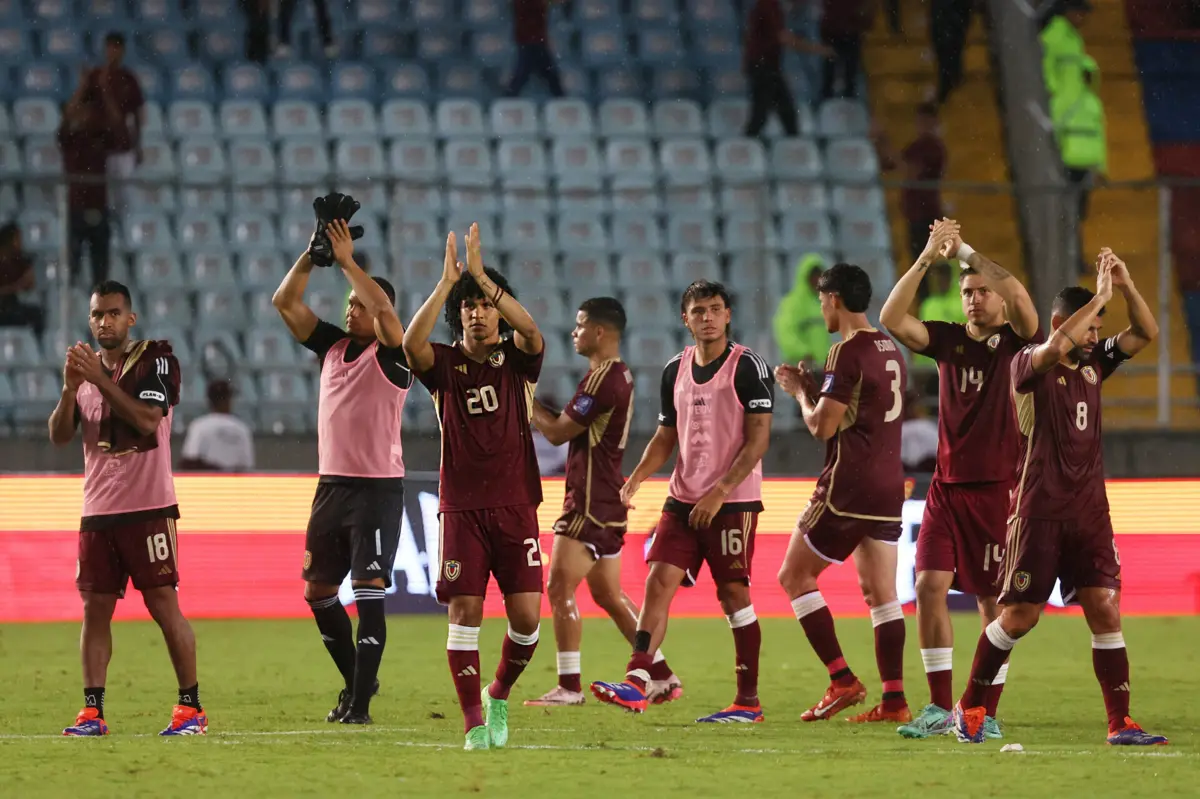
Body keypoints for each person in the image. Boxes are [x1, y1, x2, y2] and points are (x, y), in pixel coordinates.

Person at [954, 250, 1168, 746]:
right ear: (1061, 323)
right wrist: (1098, 298)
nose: (1096, 338)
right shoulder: (1026, 363)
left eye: (1097, 328)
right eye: (1091, 327)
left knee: (1104, 608)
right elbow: (1054, 348)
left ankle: (1121, 723)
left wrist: (1126, 286)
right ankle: (972, 707)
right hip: (1038, 512)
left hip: (1090, 512)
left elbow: (1145, 333)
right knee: (1019, 618)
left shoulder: (1093, 365)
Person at [880, 219, 1041, 739]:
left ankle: (983, 711)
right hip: (946, 490)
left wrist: (966, 251)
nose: (974, 300)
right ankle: (937, 708)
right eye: (968, 293)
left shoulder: (1019, 342)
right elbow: (890, 317)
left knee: (993, 603)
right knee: (928, 585)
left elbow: (1020, 295)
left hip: (999, 490)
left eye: (981, 292)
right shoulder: (947, 341)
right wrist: (929, 255)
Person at [590, 281, 774, 724]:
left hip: (733, 501)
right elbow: (665, 436)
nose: (707, 317)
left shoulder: (749, 367)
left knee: (733, 594)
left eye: (715, 309)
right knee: (658, 582)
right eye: (698, 310)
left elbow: (758, 441)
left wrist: (720, 491)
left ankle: (747, 702)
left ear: (728, 315)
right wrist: (634, 478)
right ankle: (637, 682)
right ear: (685, 319)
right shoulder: (675, 369)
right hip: (682, 498)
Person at [402, 223, 546, 751]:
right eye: (468, 306)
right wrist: (448, 284)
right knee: (465, 614)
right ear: (457, 315)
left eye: (485, 304)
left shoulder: (519, 362)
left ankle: (499, 692)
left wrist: (485, 278)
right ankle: (472, 722)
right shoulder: (444, 365)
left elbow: (532, 333)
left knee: (527, 619)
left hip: (515, 505)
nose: (477, 312)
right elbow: (408, 344)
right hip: (461, 508)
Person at [48, 280, 205, 736]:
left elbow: (147, 421)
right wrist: (67, 389)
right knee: (94, 609)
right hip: (98, 509)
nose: (105, 322)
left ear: (130, 318)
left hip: (149, 507)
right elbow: (59, 436)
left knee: (163, 605)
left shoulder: (155, 360)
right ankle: (93, 712)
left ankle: (190, 708)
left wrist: (96, 380)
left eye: (114, 313)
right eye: (97, 315)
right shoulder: (84, 371)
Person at [273, 218, 411, 724]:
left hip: (376, 490)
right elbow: (284, 303)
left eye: (361, 305)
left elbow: (386, 315)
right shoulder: (331, 346)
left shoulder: (395, 355)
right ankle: (359, 681)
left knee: (370, 591)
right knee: (318, 592)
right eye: (348, 303)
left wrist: (350, 261)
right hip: (331, 487)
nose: (351, 309)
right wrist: (313, 255)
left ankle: (359, 706)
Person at [524, 298, 682, 707]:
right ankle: (660, 674)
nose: (573, 333)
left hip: (589, 502)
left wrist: (525, 401)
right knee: (609, 595)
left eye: (579, 326)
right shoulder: (620, 375)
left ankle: (569, 686)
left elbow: (558, 433)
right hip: (607, 497)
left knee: (559, 587)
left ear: (598, 332)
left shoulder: (603, 379)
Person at [773, 262, 911, 724]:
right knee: (881, 594)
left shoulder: (845, 351)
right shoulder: (891, 348)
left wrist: (798, 393)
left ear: (833, 299)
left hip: (848, 485)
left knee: (794, 577)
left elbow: (822, 426)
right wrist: (820, 388)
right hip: (890, 485)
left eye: (820, 300)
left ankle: (841, 679)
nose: (820, 308)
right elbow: (863, 409)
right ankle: (894, 700)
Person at [58, 79, 121, 286]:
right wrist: (83, 86)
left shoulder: (102, 138)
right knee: (71, 269)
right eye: (84, 110)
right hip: (75, 209)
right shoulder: (70, 138)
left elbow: (118, 125)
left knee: (101, 274)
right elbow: (66, 117)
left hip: (99, 209)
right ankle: (69, 311)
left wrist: (104, 90)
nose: (88, 115)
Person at [743, 0, 831, 137]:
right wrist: (818, 49)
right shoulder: (768, 4)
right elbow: (783, 38)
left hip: (768, 65)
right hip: (761, 65)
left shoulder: (773, 5)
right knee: (762, 114)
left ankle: (793, 142)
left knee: (785, 113)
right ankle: (748, 142)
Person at [875, 104, 947, 265]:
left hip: (927, 214)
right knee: (918, 262)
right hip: (914, 213)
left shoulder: (934, 147)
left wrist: (885, 140)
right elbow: (889, 164)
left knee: (925, 263)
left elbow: (910, 171)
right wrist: (880, 141)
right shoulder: (916, 146)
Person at [86, 33, 143, 218]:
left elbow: (137, 115)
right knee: (103, 198)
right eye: (110, 47)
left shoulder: (129, 79)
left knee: (125, 198)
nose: (113, 51)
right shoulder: (95, 76)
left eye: (117, 47)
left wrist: (138, 146)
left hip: (123, 146)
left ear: (123, 51)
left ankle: (126, 234)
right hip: (100, 147)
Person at [179, 380, 255, 472]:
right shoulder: (241, 428)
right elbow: (247, 466)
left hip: (208, 483)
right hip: (234, 483)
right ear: (229, 399)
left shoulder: (200, 426)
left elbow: (189, 460)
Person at [773, 254, 830, 369]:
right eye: (814, 276)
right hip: (800, 367)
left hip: (821, 368)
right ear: (805, 277)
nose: (818, 280)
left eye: (820, 276)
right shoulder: (792, 303)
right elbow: (785, 333)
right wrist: (804, 353)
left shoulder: (824, 302)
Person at [506, 0, 565, 98]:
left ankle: (508, 98)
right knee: (524, 75)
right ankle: (562, 99)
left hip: (534, 41)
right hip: (530, 41)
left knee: (525, 75)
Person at [819, 0, 873, 100]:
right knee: (830, 70)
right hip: (834, 31)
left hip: (850, 31)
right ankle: (827, 98)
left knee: (850, 70)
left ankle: (848, 98)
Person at [0, 222, 45, 337]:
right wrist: (16, 286)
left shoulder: (19, 260)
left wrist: (27, 280)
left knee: (35, 314)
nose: (20, 242)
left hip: (11, 306)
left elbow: (29, 286)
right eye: (17, 238)